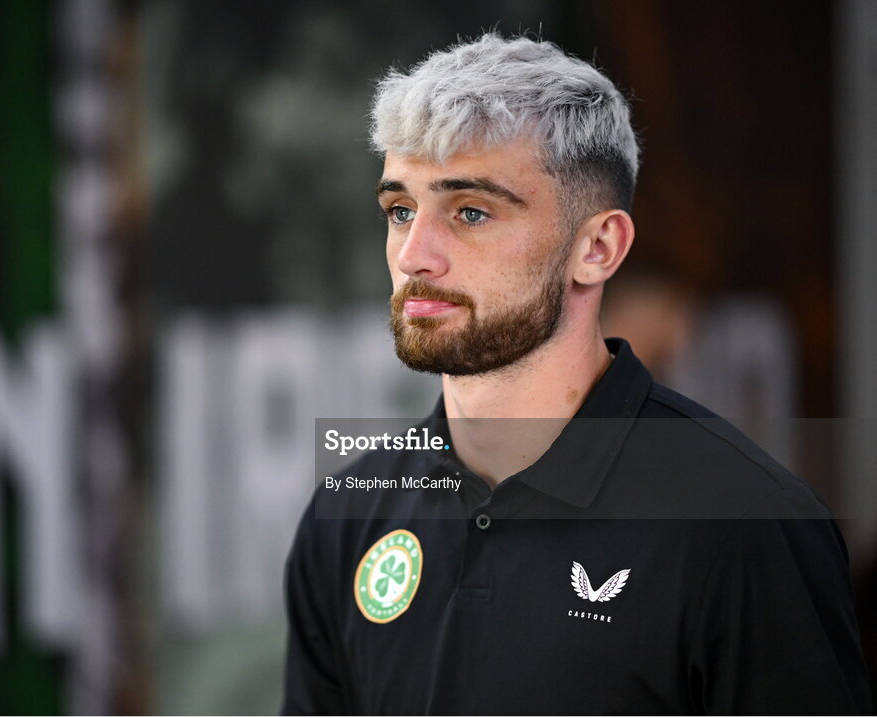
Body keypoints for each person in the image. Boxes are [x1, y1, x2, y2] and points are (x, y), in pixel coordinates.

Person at [282, 33, 871, 714]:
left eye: (470, 212)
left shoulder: (747, 525)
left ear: (597, 247)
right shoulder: (347, 518)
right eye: (401, 210)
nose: (415, 255)